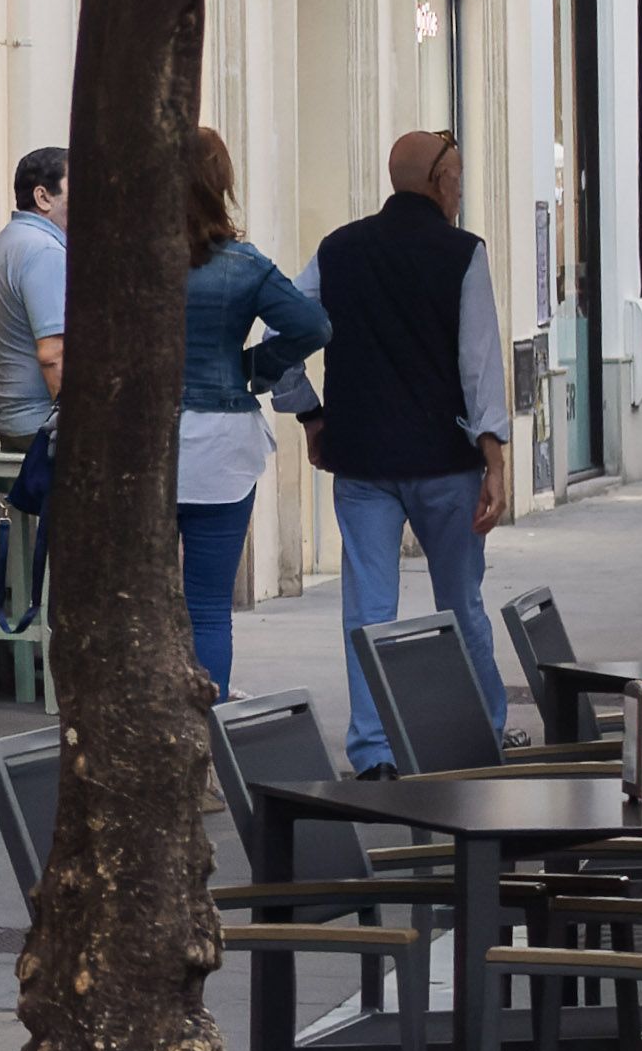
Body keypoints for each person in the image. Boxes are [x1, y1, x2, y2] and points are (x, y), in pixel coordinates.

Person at [280, 129, 516, 777]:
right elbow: (481, 367)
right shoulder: (463, 254)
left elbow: (282, 335)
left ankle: (374, 749)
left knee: (368, 609)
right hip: (448, 463)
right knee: (460, 601)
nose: (462, 189)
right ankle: (483, 730)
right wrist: (495, 459)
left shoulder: (338, 250)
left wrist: (309, 413)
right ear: (439, 181)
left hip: (361, 463)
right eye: (459, 177)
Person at [175, 127, 327, 698]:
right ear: (222, 184)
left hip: (144, 440)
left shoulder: (129, 261)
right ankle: (205, 725)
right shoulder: (244, 263)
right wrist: (252, 369)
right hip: (223, 441)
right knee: (210, 604)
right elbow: (313, 325)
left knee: (141, 599)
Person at [0, 147, 70, 450]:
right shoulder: (45, 251)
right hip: (41, 426)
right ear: (43, 197)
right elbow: (53, 355)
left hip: (12, 424)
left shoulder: (6, 242)